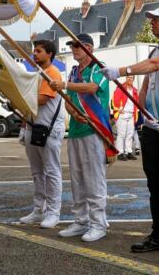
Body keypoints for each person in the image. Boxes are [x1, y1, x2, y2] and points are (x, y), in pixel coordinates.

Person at [101, 4, 159, 263]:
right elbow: (146, 84)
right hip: (152, 125)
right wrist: (143, 118)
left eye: (156, 19)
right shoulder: (154, 49)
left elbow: (155, 66)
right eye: (151, 19)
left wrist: (120, 71)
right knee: (154, 182)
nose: (151, 22)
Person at [50, 33, 110, 242]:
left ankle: (98, 224)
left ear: (90, 49)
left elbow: (92, 88)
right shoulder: (74, 71)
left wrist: (65, 85)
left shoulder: (98, 68)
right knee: (77, 179)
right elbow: (69, 100)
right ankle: (81, 220)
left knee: (94, 179)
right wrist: (73, 111)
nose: (74, 49)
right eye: (72, 46)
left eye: (79, 46)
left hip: (94, 129)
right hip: (76, 130)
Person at [19, 40, 65, 229]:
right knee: (37, 172)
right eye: (34, 51)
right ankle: (39, 210)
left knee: (52, 172)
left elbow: (43, 99)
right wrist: (23, 124)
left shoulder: (51, 73)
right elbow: (29, 105)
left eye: (38, 51)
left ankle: (53, 212)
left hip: (49, 129)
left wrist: (18, 98)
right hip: (34, 127)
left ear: (50, 54)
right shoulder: (37, 74)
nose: (34, 54)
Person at [112, 76, 139, 161]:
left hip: (131, 115)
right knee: (121, 134)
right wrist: (119, 108)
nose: (130, 79)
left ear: (133, 79)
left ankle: (128, 152)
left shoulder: (135, 90)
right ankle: (120, 153)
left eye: (131, 78)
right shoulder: (120, 88)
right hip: (122, 115)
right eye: (128, 77)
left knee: (130, 134)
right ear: (126, 78)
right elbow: (114, 99)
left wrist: (136, 111)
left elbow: (137, 101)